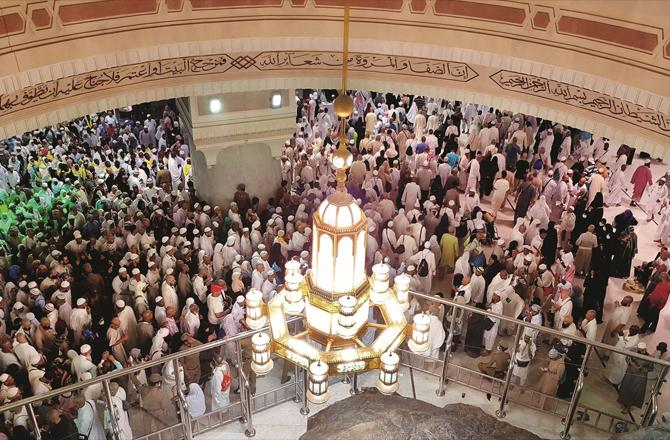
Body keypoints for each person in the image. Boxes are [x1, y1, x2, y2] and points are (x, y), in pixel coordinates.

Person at [618, 343, 653, 413]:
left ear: (645, 349)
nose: (642, 351)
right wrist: (631, 363)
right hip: (630, 373)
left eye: (643, 350)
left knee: (634, 391)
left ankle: (628, 407)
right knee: (626, 387)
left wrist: (642, 368)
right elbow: (627, 358)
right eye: (640, 350)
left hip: (640, 377)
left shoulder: (649, 358)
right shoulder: (634, 352)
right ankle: (623, 400)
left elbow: (651, 368)